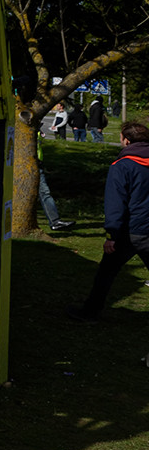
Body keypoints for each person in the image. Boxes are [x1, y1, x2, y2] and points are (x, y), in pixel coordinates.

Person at [66, 120, 149, 323]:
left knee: (106, 273)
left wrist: (111, 234)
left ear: (126, 140)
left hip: (132, 230)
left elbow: (116, 203)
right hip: (142, 227)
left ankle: (90, 312)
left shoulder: (122, 166)